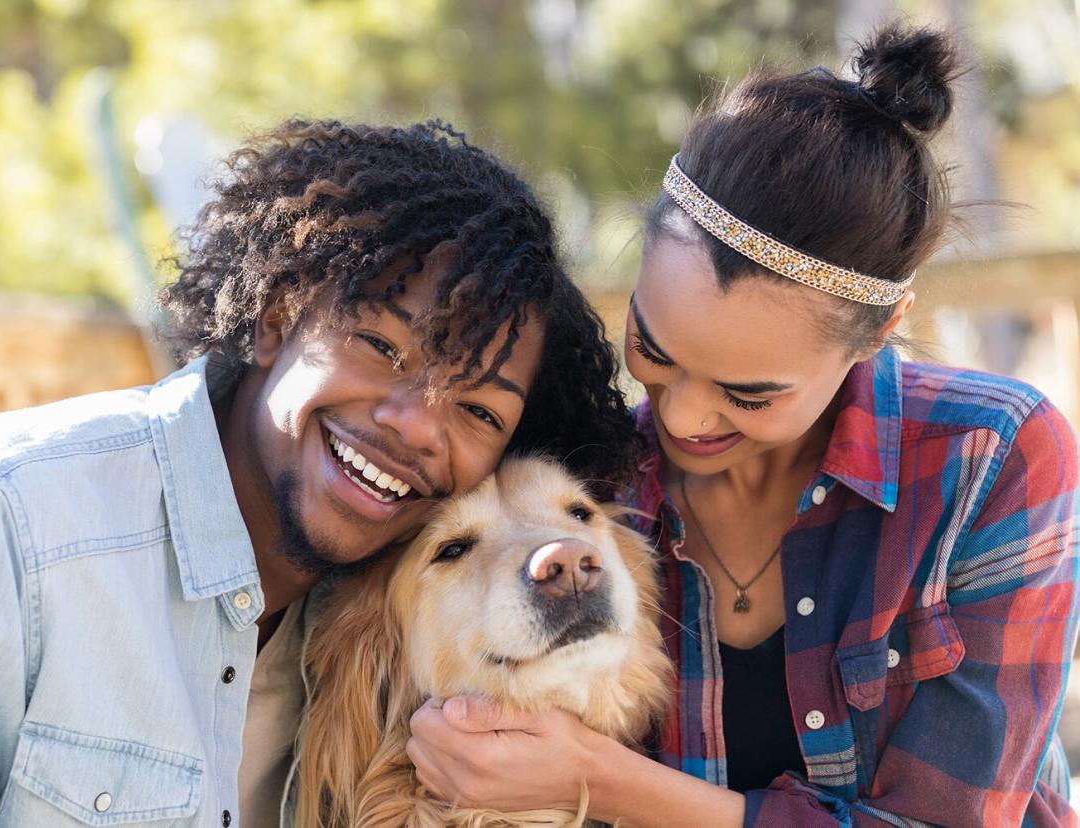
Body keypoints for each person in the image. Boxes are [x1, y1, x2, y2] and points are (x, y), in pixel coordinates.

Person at [0, 119, 642, 826]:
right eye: (385, 349)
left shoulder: (361, 631)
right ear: (276, 315)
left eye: (478, 412)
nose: (415, 426)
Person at [406, 24, 1080, 827]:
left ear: (880, 329)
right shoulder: (599, 486)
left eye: (749, 393)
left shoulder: (993, 457)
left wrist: (602, 778)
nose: (680, 417)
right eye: (652, 349)